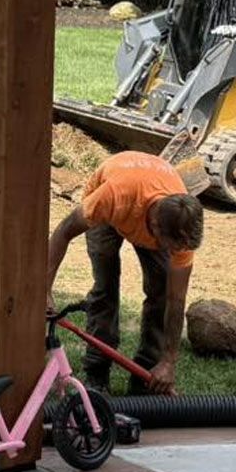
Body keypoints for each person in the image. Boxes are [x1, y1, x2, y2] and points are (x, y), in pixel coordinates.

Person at [45, 150, 206, 395]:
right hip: (113, 208)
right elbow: (64, 231)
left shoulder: (180, 226)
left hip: (145, 199)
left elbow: (176, 300)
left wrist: (169, 361)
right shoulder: (112, 197)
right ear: (154, 227)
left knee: (161, 294)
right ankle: (97, 373)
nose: (175, 252)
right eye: (170, 247)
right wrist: (44, 290)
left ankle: (147, 377)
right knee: (105, 287)